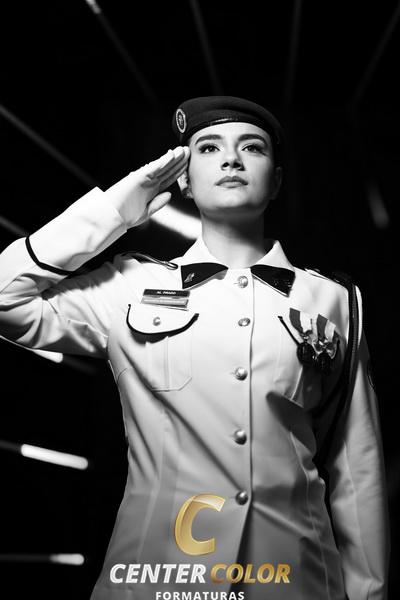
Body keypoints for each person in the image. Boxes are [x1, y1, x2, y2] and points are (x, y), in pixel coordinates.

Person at [0, 96, 390, 600]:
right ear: (183, 179)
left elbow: (356, 468)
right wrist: (115, 209)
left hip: (298, 581)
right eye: (208, 148)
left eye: (252, 147)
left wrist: (368, 594)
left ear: (276, 180)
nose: (231, 159)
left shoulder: (334, 300)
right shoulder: (128, 287)